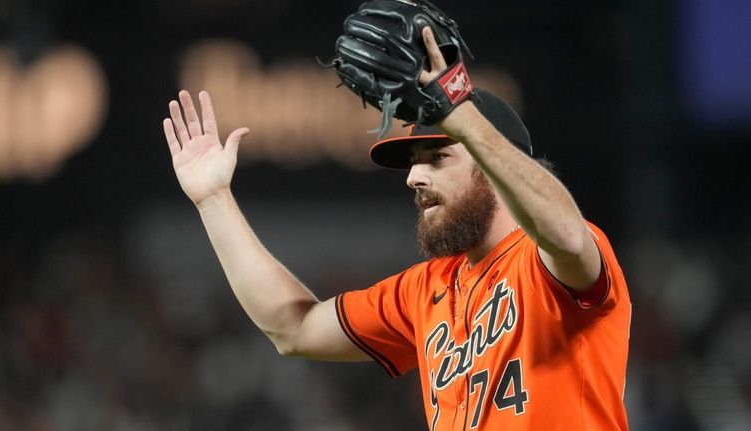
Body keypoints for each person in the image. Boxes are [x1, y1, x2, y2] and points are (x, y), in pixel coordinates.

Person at [163, 26, 630, 431]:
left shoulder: (549, 265)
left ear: (493, 164)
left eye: (437, 157)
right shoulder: (426, 291)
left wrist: (466, 118)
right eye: (412, 161)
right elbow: (294, 328)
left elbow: (567, 237)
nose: (414, 176)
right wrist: (214, 200)